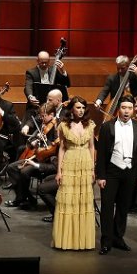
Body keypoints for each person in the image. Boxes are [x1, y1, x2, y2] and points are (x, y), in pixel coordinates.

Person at [95, 97, 137, 255]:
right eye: (124, 107)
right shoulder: (107, 127)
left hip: (130, 172)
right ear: (119, 109)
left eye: (130, 108)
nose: (126, 111)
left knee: (123, 207)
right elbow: (102, 154)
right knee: (106, 206)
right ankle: (106, 241)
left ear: (134, 110)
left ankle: (118, 238)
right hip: (111, 172)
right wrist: (101, 176)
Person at [52, 97, 96, 250]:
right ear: (71, 109)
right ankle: (67, 240)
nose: (81, 110)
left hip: (85, 163)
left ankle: (83, 241)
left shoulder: (90, 125)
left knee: (83, 201)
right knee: (68, 200)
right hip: (69, 163)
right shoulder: (63, 126)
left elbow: (91, 147)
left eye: (83, 107)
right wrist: (59, 171)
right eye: (78, 107)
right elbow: (62, 148)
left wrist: (92, 169)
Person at [6, 101, 60, 210]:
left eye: (44, 116)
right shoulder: (43, 123)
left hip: (48, 160)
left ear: (52, 115)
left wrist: (47, 142)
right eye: (41, 115)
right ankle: (27, 198)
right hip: (37, 156)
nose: (41, 118)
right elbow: (33, 120)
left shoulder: (57, 128)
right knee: (11, 168)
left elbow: (55, 147)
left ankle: (22, 199)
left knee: (24, 171)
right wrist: (34, 139)